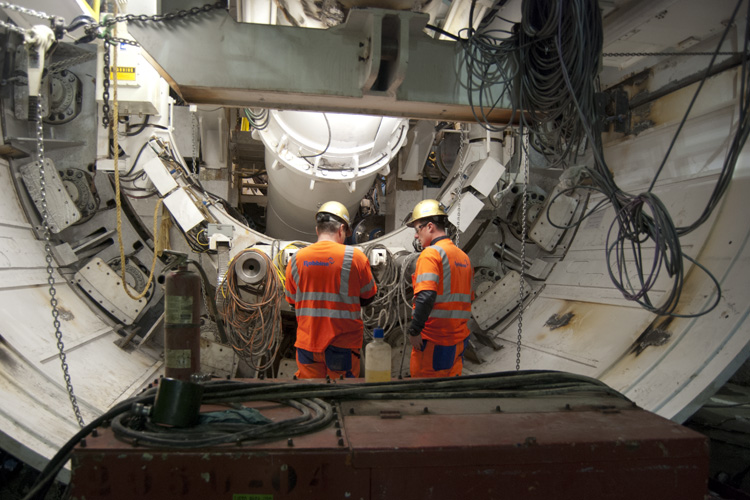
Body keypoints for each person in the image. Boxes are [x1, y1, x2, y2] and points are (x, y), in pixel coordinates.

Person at [285, 201, 377, 379]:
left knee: (311, 395)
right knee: (342, 395)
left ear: (317, 229)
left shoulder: (297, 259)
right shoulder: (355, 257)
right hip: (343, 344)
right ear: (342, 229)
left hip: (308, 345)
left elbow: (291, 300)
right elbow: (368, 296)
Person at [405, 199, 473, 378]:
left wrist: (415, 330)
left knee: (425, 394)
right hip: (458, 341)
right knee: (449, 394)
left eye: (417, 229)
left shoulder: (431, 254)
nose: (416, 235)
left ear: (429, 227)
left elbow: (426, 296)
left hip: (434, 342)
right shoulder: (464, 257)